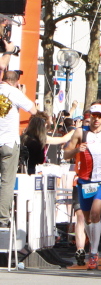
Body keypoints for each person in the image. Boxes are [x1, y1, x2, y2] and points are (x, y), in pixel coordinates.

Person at [63, 101, 101, 270]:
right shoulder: (80, 132)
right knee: (87, 219)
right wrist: (76, 150)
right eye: (94, 116)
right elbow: (66, 154)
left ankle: (93, 253)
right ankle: (92, 246)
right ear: (90, 116)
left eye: (100, 116)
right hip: (84, 182)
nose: (96, 119)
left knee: (95, 213)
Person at [0, 71, 37, 228]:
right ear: (16, 82)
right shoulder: (14, 92)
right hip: (8, 142)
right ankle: (2, 219)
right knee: (7, 182)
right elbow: (33, 110)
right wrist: (22, 93)